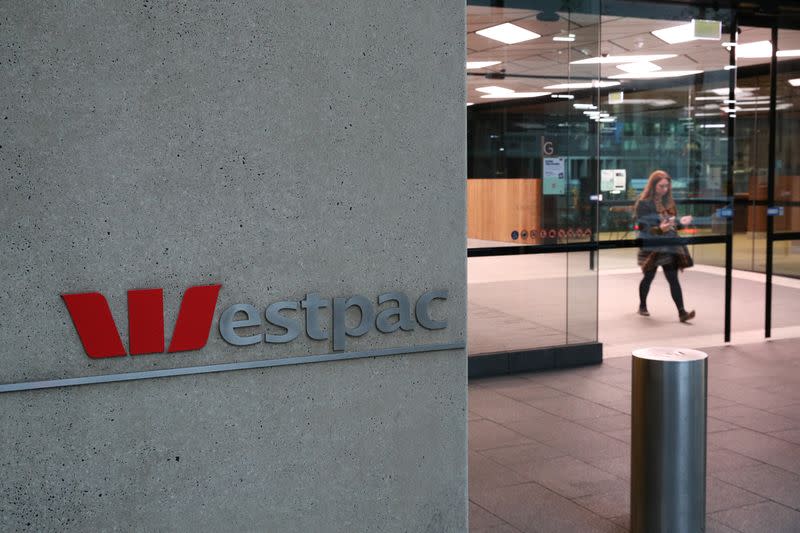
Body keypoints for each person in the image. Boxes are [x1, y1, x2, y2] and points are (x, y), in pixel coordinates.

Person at [634, 170, 696, 322]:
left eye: (667, 186)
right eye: (661, 186)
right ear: (653, 185)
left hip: (667, 246)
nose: (665, 189)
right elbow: (643, 227)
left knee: (673, 278)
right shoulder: (643, 203)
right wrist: (659, 229)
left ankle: (682, 312)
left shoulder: (669, 202)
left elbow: (672, 225)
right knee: (648, 277)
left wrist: (682, 222)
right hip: (651, 246)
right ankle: (642, 306)